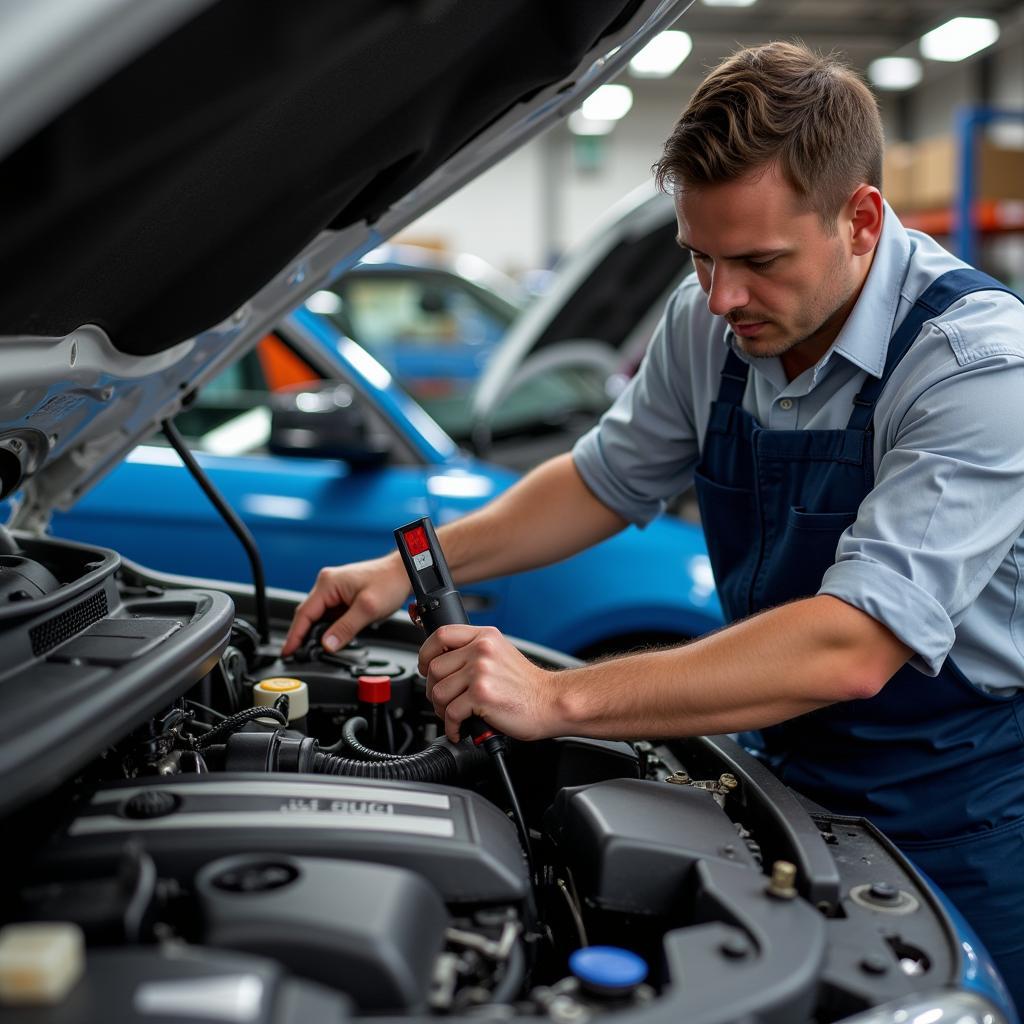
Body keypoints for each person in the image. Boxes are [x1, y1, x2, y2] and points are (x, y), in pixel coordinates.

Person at [283, 42, 1024, 1003]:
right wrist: (406, 567)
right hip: (787, 767)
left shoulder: (974, 367)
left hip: (960, 810)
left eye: (758, 261)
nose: (723, 299)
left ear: (862, 219)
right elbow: (602, 480)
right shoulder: (709, 322)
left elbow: (850, 646)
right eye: (700, 257)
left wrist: (558, 698)